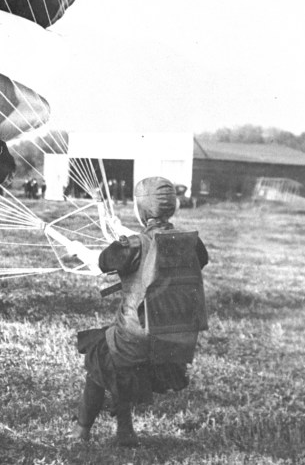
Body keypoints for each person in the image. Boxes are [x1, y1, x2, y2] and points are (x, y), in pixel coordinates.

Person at [68, 177, 209, 447]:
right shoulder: (191, 243)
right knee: (121, 366)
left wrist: (78, 249)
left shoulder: (131, 246)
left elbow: (101, 263)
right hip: (170, 342)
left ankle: (81, 430)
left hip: (135, 338)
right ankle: (124, 430)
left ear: (141, 210)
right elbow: (161, 248)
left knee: (101, 357)